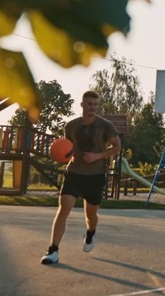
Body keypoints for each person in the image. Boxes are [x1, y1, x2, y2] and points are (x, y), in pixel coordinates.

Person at [41, 90, 121, 266]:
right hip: (74, 173)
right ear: (82, 104)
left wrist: (97, 156)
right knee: (63, 209)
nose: (92, 107)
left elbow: (116, 147)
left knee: (91, 215)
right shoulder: (71, 126)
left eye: (95, 104)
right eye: (89, 104)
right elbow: (67, 149)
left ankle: (91, 232)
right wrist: (60, 154)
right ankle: (53, 251)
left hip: (95, 175)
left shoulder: (105, 126)